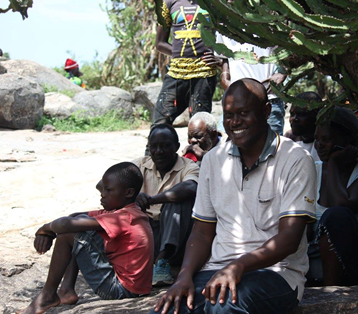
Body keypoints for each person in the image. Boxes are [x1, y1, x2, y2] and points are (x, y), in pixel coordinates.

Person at [151, 78, 317, 314]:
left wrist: (238, 266)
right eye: (229, 115)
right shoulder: (212, 160)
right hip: (215, 270)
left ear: (266, 111)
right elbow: (201, 231)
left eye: (243, 113)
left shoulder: (296, 159)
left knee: (223, 307)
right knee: (167, 309)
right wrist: (184, 276)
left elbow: (289, 238)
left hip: (277, 273)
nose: (235, 122)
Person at [18, 162, 154, 314]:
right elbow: (74, 217)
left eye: (108, 190)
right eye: (103, 189)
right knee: (79, 227)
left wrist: (44, 229)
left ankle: (48, 295)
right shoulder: (125, 212)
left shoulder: (124, 217)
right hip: (131, 287)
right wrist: (51, 230)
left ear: (128, 193)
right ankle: (66, 290)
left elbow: (65, 224)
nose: (102, 194)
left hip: (119, 290)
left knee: (70, 234)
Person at [309, 106, 358, 286]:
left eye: (326, 139)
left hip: (352, 260)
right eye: (317, 140)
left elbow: (341, 205)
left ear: (347, 140)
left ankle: (331, 292)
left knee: (336, 216)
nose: (319, 146)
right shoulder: (311, 169)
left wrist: (333, 163)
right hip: (311, 255)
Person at [133, 124, 199, 286]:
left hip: (178, 239)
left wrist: (153, 199)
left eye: (165, 146)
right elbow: (105, 183)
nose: (159, 151)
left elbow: (191, 187)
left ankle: (163, 260)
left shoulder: (188, 166)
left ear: (176, 147)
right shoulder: (139, 165)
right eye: (154, 147)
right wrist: (134, 197)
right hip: (148, 234)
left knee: (177, 200)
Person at [150, 0, 218, 129]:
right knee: (160, 123)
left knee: (200, 127)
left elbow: (229, 33)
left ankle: (197, 150)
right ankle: (154, 149)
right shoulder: (169, 3)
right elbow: (159, 43)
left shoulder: (215, 3)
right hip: (177, 73)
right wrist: (180, 55)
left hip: (204, 73)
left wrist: (219, 58)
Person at [216, 33, 287, 135]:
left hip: (269, 98)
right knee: (230, 146)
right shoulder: (223, 24)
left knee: (271, 147)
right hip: (235, 102)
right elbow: (223, 56)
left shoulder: (270, 19)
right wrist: (225, 77)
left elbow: (287, 49)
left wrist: (282, 72)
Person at [287, 91, 322, 161]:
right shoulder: (290, 143)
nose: (294, 119)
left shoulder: (326, 147)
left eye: (301, 114)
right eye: (292, 114)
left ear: (317, 115)